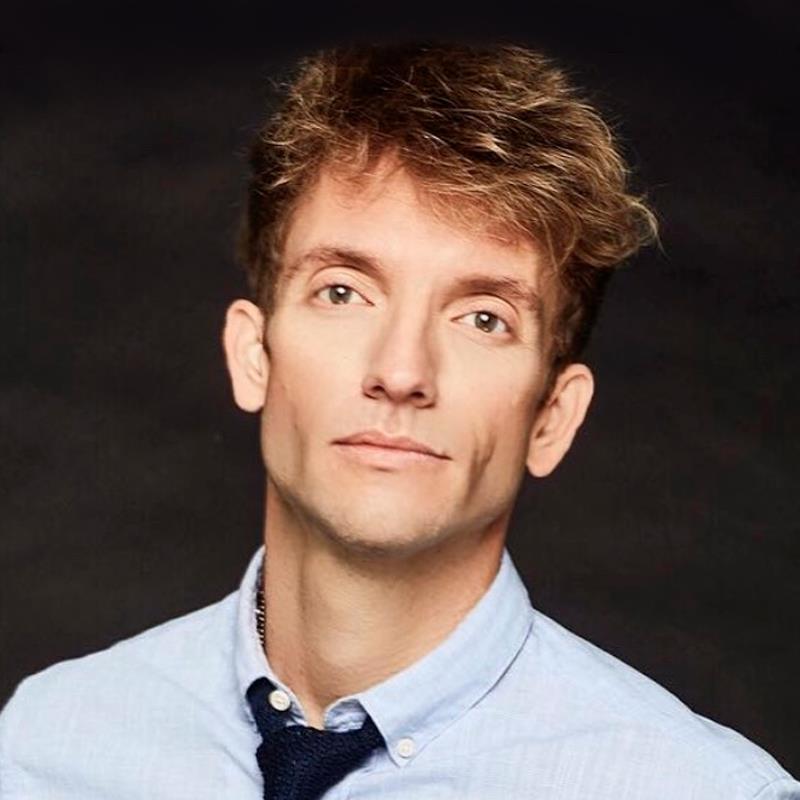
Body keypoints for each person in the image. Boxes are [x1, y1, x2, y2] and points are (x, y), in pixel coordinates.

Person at [0, 42, 796, 800]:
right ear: (253, 356)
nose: (403, 372)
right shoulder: (46, 745)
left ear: (553, 417)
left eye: (483, 318)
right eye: (344, 292)